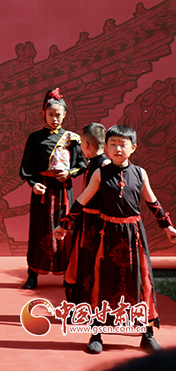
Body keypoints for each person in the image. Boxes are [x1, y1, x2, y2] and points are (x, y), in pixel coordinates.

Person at [54, 125, 176, 354]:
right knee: (101, 283)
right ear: (106, 147)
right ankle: (96, 334)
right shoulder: (100, 173)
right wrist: (64, 225)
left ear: (133, 147)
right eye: (113, 144)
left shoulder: (140, 173)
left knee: (142, 283)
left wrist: (167, 227)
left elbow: (152, 202)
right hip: (107, 234)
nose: (118, 149)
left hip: (134, 235)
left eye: (123, 144)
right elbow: (82, 200)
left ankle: (147, 334)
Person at [19, 88, 86, 289]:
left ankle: (68, 275)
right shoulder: (35, 138)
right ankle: (32, 274)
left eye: (58, 115)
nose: (54, 119)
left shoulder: (72, 138)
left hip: (63, 190)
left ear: (65, 115)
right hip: (42, 191)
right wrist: (33, 184)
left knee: (65, 228)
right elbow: (26, 168)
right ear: (44, 114)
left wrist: (70, 173)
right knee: (38, 230)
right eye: (50, 114)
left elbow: (82, 165)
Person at [63, 123, 109, 304]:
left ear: (86, 144)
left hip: (97, 224)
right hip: (85, 221)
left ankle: (90, 306)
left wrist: (66, 222)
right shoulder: (94, 164)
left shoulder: (103, 166)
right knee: (80, 264)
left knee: (91, 265)